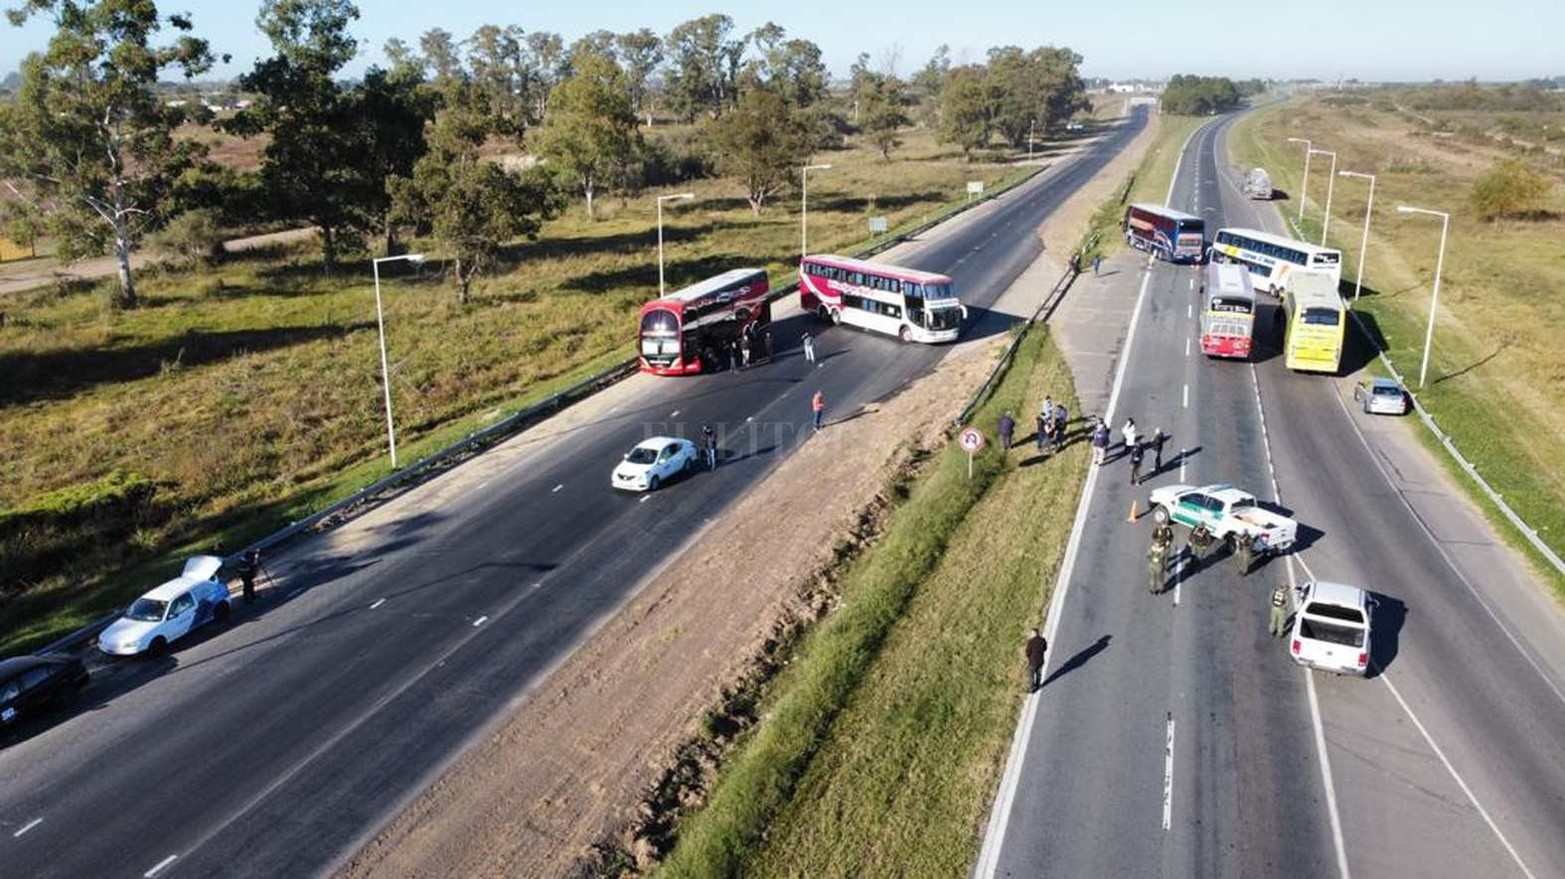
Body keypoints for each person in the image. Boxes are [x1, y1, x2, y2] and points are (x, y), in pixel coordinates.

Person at [1025, 627, 1048, 693]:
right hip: (1041, 660)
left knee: (1031, 674)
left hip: (1033, 661)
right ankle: (1038, 684)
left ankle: (1031, 688)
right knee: (1039, 673)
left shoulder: (1031, 642)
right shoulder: (1042, 640)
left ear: (1034, 634)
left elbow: (1027, 652)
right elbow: (1045, 648)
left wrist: (1029, 657)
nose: (1030, 635)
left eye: (1031, 633)